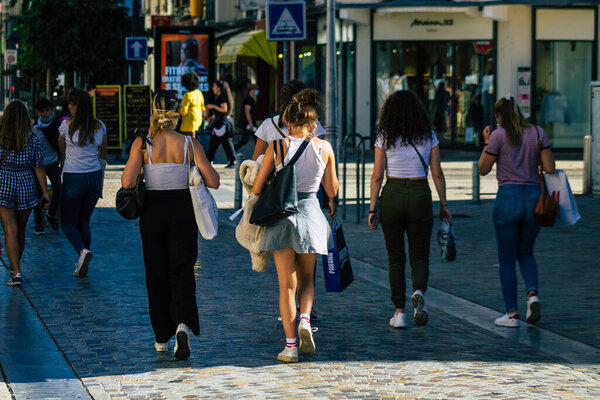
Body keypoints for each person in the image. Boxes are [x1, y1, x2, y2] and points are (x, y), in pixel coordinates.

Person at [121, 90, 220, 359]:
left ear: (153, 112)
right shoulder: (189, 144)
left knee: (156, 273)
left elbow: (127, 183)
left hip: (153, 212)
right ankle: (182, 325)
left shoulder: (143, 144)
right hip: (182, 211)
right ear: (178, 114)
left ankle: (161, 336)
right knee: (183, 270)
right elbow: (214, 181)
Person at [254, 89, 338, 363]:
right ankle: (305, 319)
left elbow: (257, 187)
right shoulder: (324, 148)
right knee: (307, 280)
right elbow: (332, 189)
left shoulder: (276, 147)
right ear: (313, 123)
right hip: (311, 215)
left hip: (281, 217)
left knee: (286, 286)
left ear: (287, 122)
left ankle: (290, 347)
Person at [368, 90, 451, 328]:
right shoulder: (429, 135)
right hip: (420, 194)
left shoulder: (385, 136)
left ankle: (399, 312)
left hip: (392, 193)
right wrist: (444, 204)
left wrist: (373, 208)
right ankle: (418, 291)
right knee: (419, 254)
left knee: (395, 258)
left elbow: (376, 176)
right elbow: (437, 173)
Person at [478, 95, 555, 328]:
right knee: (527, 252)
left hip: (508, 199)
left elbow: (483, 169)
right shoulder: (538, 133)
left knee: (506, 259)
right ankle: (533, 295)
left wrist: (487, 141)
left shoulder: (498, 136)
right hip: (534, 199)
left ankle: (511, 315)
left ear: (499, 116)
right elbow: (550, 167)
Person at [0, 100, 50, 286]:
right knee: (20, 230)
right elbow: (39, 168)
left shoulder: (1, 138)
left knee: (9, 230)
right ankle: (15, 268)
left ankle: (16, 273)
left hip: (4, 183)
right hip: (26, 186)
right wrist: (45, 193)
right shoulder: (33, 138)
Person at [58, 89, 107, 278]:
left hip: (73, 177)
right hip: (93, 177)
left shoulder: (65, 127)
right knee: (84, 220)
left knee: (68, 223)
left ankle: (81, 252)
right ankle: (82, 261)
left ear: (78, 106)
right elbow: (103, 155)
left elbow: (61, 153)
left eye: (71, 103)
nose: (69, 106)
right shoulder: (100, 126)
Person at [251, 80, 326, 161]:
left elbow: (255, 161)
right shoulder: (313, 124)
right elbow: (320, 156)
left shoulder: (268, 124)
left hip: (276, 173)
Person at [32, 98, 62, 233]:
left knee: (58, 187)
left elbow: (61, 145)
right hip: (38, 164)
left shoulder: (57, 125)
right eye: (42, 111)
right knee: (38, 193)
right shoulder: (34, 128)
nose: (45, 113)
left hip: (53, 162)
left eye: (47, 110)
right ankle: (39, 222)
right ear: (38, 113)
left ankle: (51, 214)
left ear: (51, 110)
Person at [206, 80, 236, 168]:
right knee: (224, 143)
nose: (213, 88)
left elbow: (224, 109)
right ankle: (231, 160)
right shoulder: (220, 97)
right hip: (223, 124)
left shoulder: (221, 98)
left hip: (222, 125)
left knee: (215, 143)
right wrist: (212, 117)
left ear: (219, 88)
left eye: (214, 86)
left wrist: (213, 106)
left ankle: (209, 159)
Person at [179, 71, 205, 140]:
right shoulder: (199, 93)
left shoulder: (187, 95)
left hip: (188, 121)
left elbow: (183, 111)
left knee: (186, 139)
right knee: (194, 138)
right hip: (197, 119)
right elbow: (202, 107)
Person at [234, 84, 258, 152]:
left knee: (254, 139)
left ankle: (259, 152)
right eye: (255, 89)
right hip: (249, 123)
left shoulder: (250, 99)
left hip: (250, 123)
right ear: (252, 90)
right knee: (246, 140)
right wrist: (250, 123)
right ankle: (232, 151)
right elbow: (247, 112)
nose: (256, 91)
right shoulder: (248, 99)